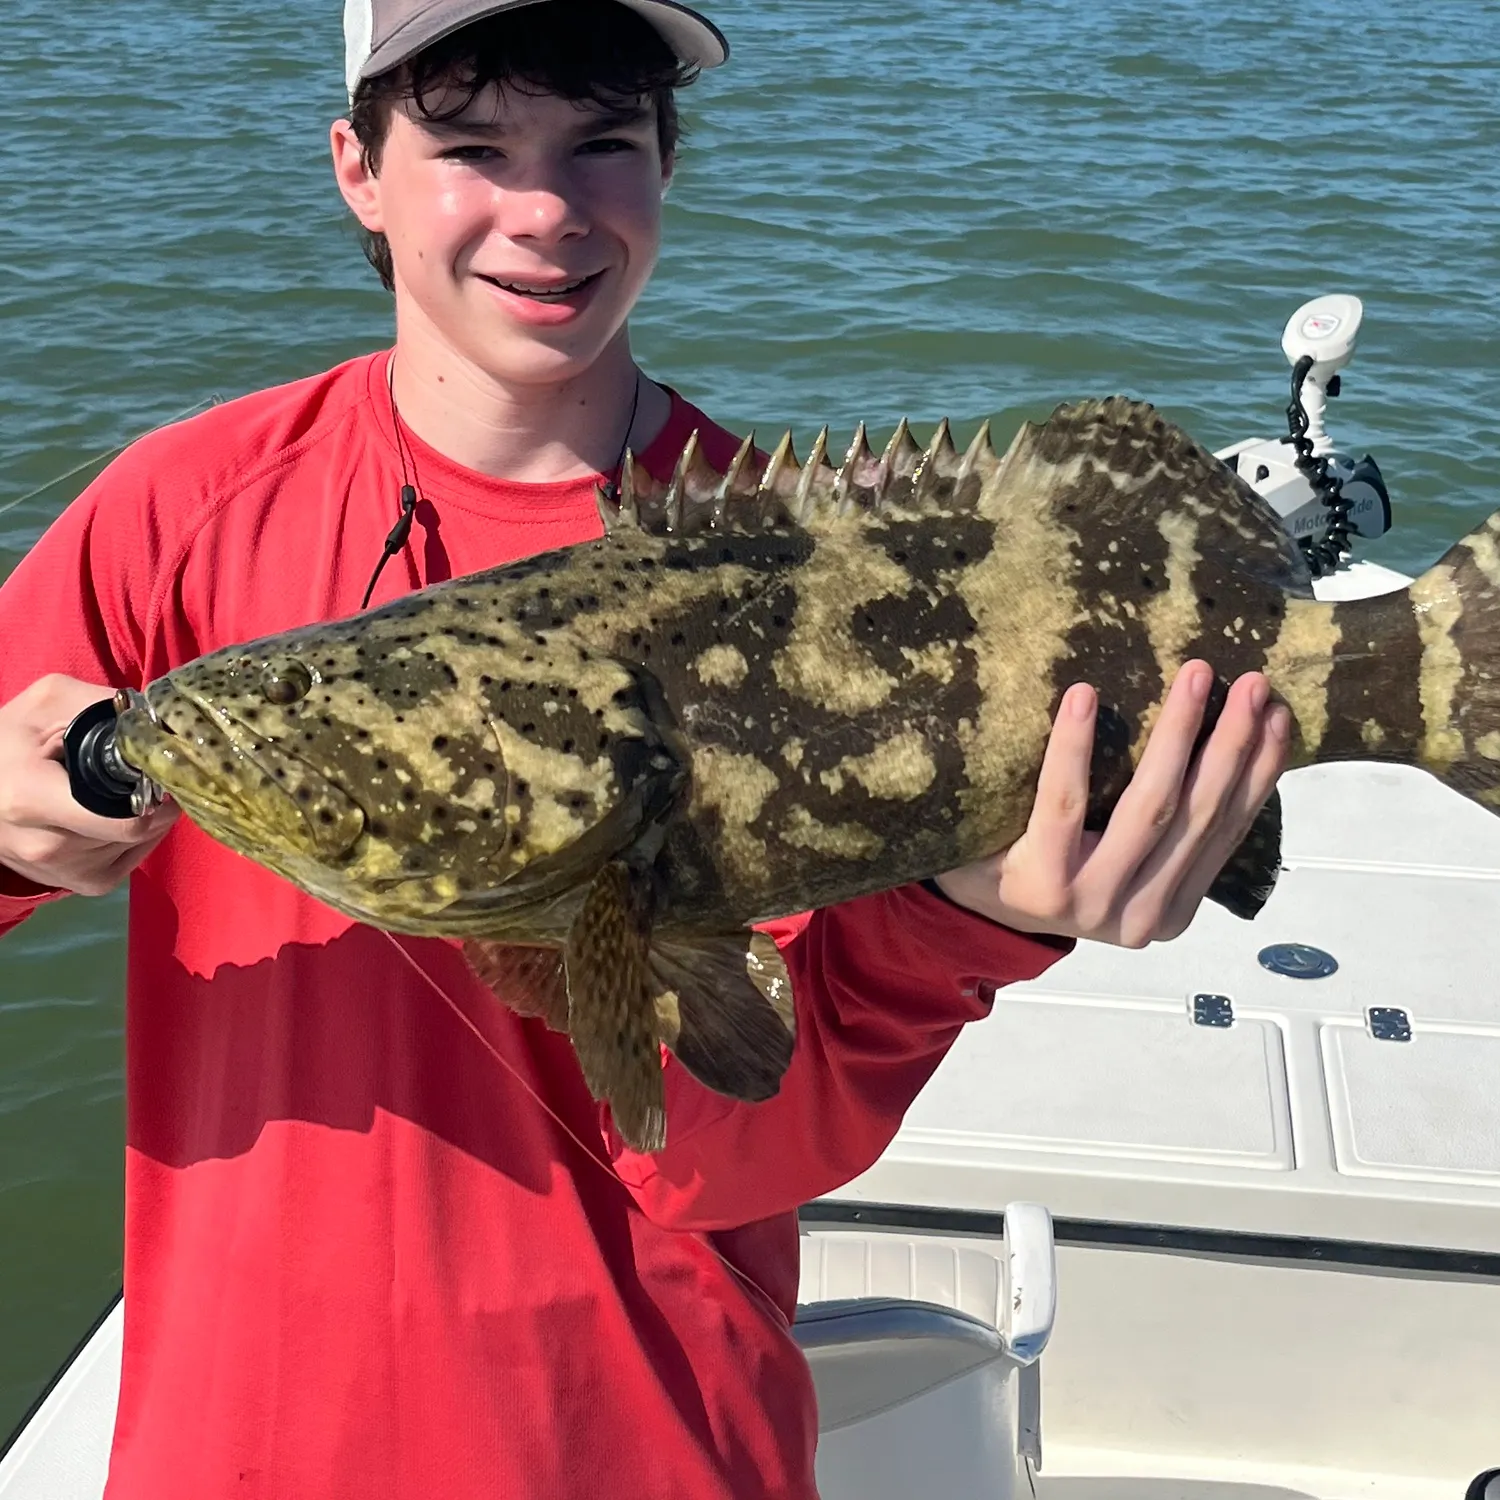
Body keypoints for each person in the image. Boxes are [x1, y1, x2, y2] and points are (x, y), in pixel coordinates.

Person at [0, 2, 1290, 1495]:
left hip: (648, 1440)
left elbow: (725, 1147)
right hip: (244, 1445)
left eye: (602, 144)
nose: (544, 211)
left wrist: (979, 920)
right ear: (357, 165)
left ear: (668, 164)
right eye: (471, 147)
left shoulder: (804, 569)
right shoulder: (180, 513)